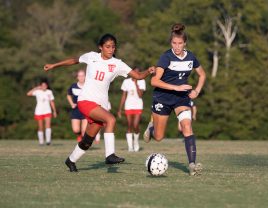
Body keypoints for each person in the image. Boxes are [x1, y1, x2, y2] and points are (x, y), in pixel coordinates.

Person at [44, 33, 155, 172]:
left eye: (113, 47)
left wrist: (149, 71)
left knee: (87, 141)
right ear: (100, 47)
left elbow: (138, 76)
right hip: (85, 101)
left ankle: (70, 160)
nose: (111, 49)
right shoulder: (92, 56)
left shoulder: (117, 64)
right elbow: (74, 60)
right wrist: (54, 65)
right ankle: (110, 155)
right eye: (107, 46)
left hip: (99, 106)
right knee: (111, 119)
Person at [143, 23, 206, 176]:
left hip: (181, 99)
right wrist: (175, 87)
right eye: (174, 43)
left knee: (187, 127)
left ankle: (192, 164)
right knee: (158, 137)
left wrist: (196, 90)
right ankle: (151, 127)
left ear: (185, 43)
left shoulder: (191, 57)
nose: (177, 46)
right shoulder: (166, 57)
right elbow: (154, 81)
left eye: (180, 43)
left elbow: (202, 75)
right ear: (171, 43)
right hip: (162, 98)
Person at [118, 67, 146, 152]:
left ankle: (136, 142)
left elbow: (140, 95)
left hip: (138, 105)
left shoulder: (142, 81)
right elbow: (123, 96)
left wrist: (136, 84)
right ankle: (130, 147)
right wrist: (120, 109)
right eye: (135, 72)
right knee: (129, 125)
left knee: (135, 125)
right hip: (128, 105)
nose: (136, 74)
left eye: (138, 73)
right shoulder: (126, 82)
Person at [27, 80, 57, 145]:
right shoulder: (37, 91)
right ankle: (41, 142)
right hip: (39, 111)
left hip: (47, 111)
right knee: (40, 127)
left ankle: (48, 141)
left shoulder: (49, 92)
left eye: (45, 85)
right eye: (42, 85)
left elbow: (52, 102)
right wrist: (36, 88)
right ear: (40, 86)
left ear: (47, 86)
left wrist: (54, 111)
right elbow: (28, 94)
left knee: (48, 125)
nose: (44, 87)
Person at [67, 69, 87, 142]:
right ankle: (79, 135)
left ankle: (83, 144)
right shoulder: (73, 86)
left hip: (86, 110)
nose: (81, 77)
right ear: (77, 77)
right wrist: (72, 104)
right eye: (79, 76)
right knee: (76, 130)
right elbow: (68, 95)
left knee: (84, 130)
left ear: (85, 76)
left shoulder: (89, 86)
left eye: (83, 76)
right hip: (76, 110)